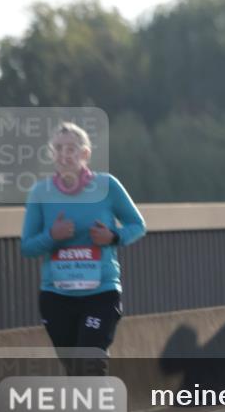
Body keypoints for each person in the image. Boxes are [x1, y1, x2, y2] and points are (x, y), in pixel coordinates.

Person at [20, 122, 146, 375]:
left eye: (71, 149)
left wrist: (112, 236)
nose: (64, 154)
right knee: (74, 367)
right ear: (51, 154)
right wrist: (51, 236)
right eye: (58, 148)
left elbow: (137, 225)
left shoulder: (107, 186)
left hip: (101, 292)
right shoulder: (40, 193)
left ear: (85, 154)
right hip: (56, 297)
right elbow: (28, 247)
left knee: (88, 360)